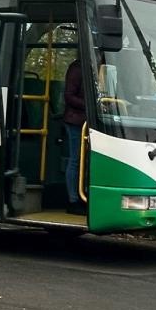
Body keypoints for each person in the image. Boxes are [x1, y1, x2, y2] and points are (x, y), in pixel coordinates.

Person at [63, 58, 87, 214]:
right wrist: (90, 105)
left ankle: (82, 195)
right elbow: (69, 96)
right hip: (75, 121)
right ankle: (73, 200)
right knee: (76, 160)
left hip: (86, 121)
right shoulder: (77, 68)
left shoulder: (94, 67)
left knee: (84, 161)